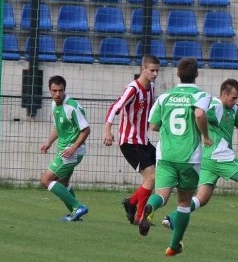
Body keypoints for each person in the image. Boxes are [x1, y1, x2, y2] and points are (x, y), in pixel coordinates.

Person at [162, 78, 238, 232]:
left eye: (237, 98)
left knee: (202, 198)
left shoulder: (233, 110)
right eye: (233, 98)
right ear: (224, 94)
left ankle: (171, 218)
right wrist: (204, 135)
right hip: (220, 155)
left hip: (208, 159)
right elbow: (198, 114)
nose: (235, 101)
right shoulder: (216, 105)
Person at [139, 57, 212, 256]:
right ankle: (174, 245)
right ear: (197, 74)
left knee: (161, 195)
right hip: (189, 157)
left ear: (177, 74)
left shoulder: (164, 97)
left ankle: (149, 207)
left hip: (166, 156)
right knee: (183, 203)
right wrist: (205, 136)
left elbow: (152, 125)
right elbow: (199, 114)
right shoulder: (202, 95)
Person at [103, 55, 161, 225]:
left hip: (143, 141)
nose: (155, 74)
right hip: (130, 142)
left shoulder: (151, 87)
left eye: (157, 70)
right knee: (150, 177)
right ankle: (140, 217)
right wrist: (107, 130)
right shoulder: (133, 89)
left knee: (161, 172)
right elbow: (115, 107)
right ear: (143, 69)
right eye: (152, 70)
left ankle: (131, 203)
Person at [40, 75, 91, 222]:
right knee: (63, 183)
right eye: (54, 91)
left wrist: (73, 148)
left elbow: (86, 130)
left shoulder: (72, 107)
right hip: (66, 150)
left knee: (45, 180)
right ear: (50, 90)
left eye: (60, 90)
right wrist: (49, 142)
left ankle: (77, 206)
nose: (57, 94)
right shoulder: (54, 105)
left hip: (71, 152)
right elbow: (59, 126)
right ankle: (76, 214)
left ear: (65, 90)